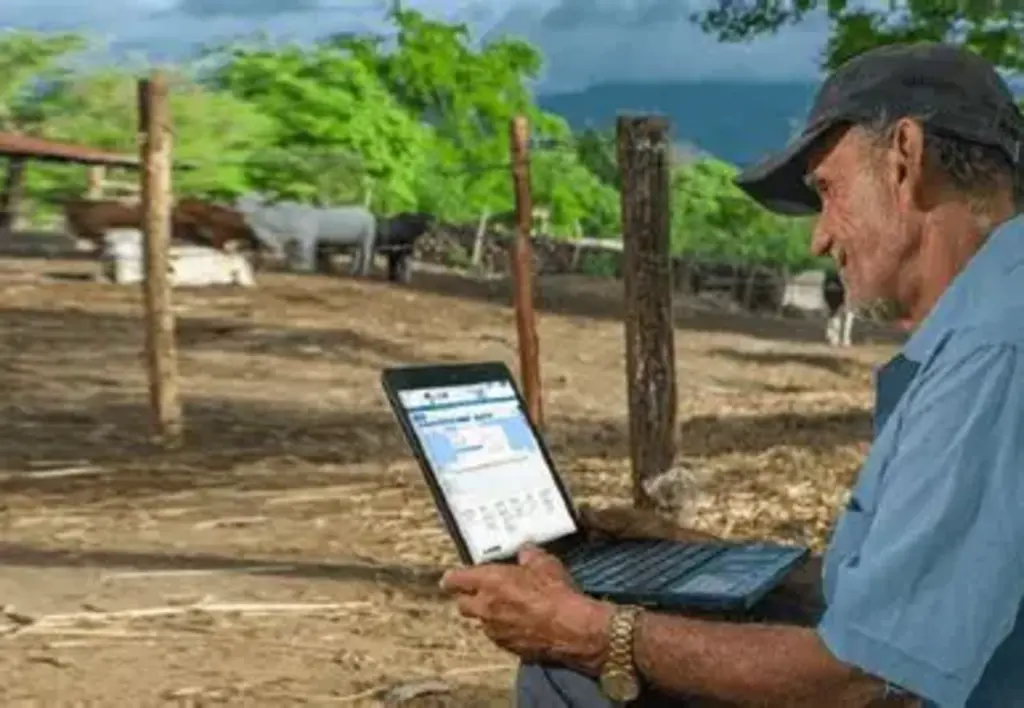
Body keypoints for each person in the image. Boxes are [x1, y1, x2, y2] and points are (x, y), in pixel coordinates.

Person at [439, 42, 1024, 707]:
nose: (820, 238)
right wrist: (707, 560)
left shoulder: (994, 351)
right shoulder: (995, 314)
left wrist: (595, 632)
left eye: (828, 191)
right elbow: (928, 592)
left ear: (904, 159)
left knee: (564, 673)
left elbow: (860, 677)